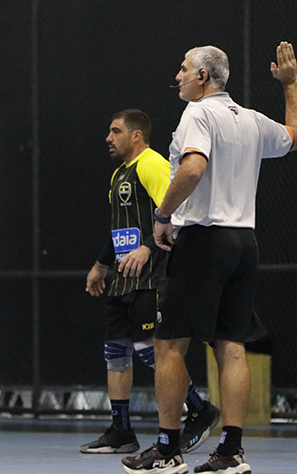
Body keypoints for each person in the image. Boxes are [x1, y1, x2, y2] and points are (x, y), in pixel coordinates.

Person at [122, 42, 297, 474]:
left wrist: (163, 216)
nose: (178, 76)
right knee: (231, 345)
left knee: (169, 344)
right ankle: (230, 452)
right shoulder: (251, 120)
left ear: (203, 77)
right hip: (244, 243)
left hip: (204, 240)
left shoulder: (198, 114)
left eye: (184, 69)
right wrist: (291, 83)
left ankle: (167, 451)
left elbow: (192, 169)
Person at [81, 109, 219, 455]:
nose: (108, 138)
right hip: (122, 279)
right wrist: (100, 265)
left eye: (115, 131)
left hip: (150, 278)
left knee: (149, 350)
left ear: (136, 135)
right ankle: (121, 431)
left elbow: (172, 213)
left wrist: (146, 248)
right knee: (115, 352)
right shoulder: (119, 174)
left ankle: (199, 409)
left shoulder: (152, 164)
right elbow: (119, 226)